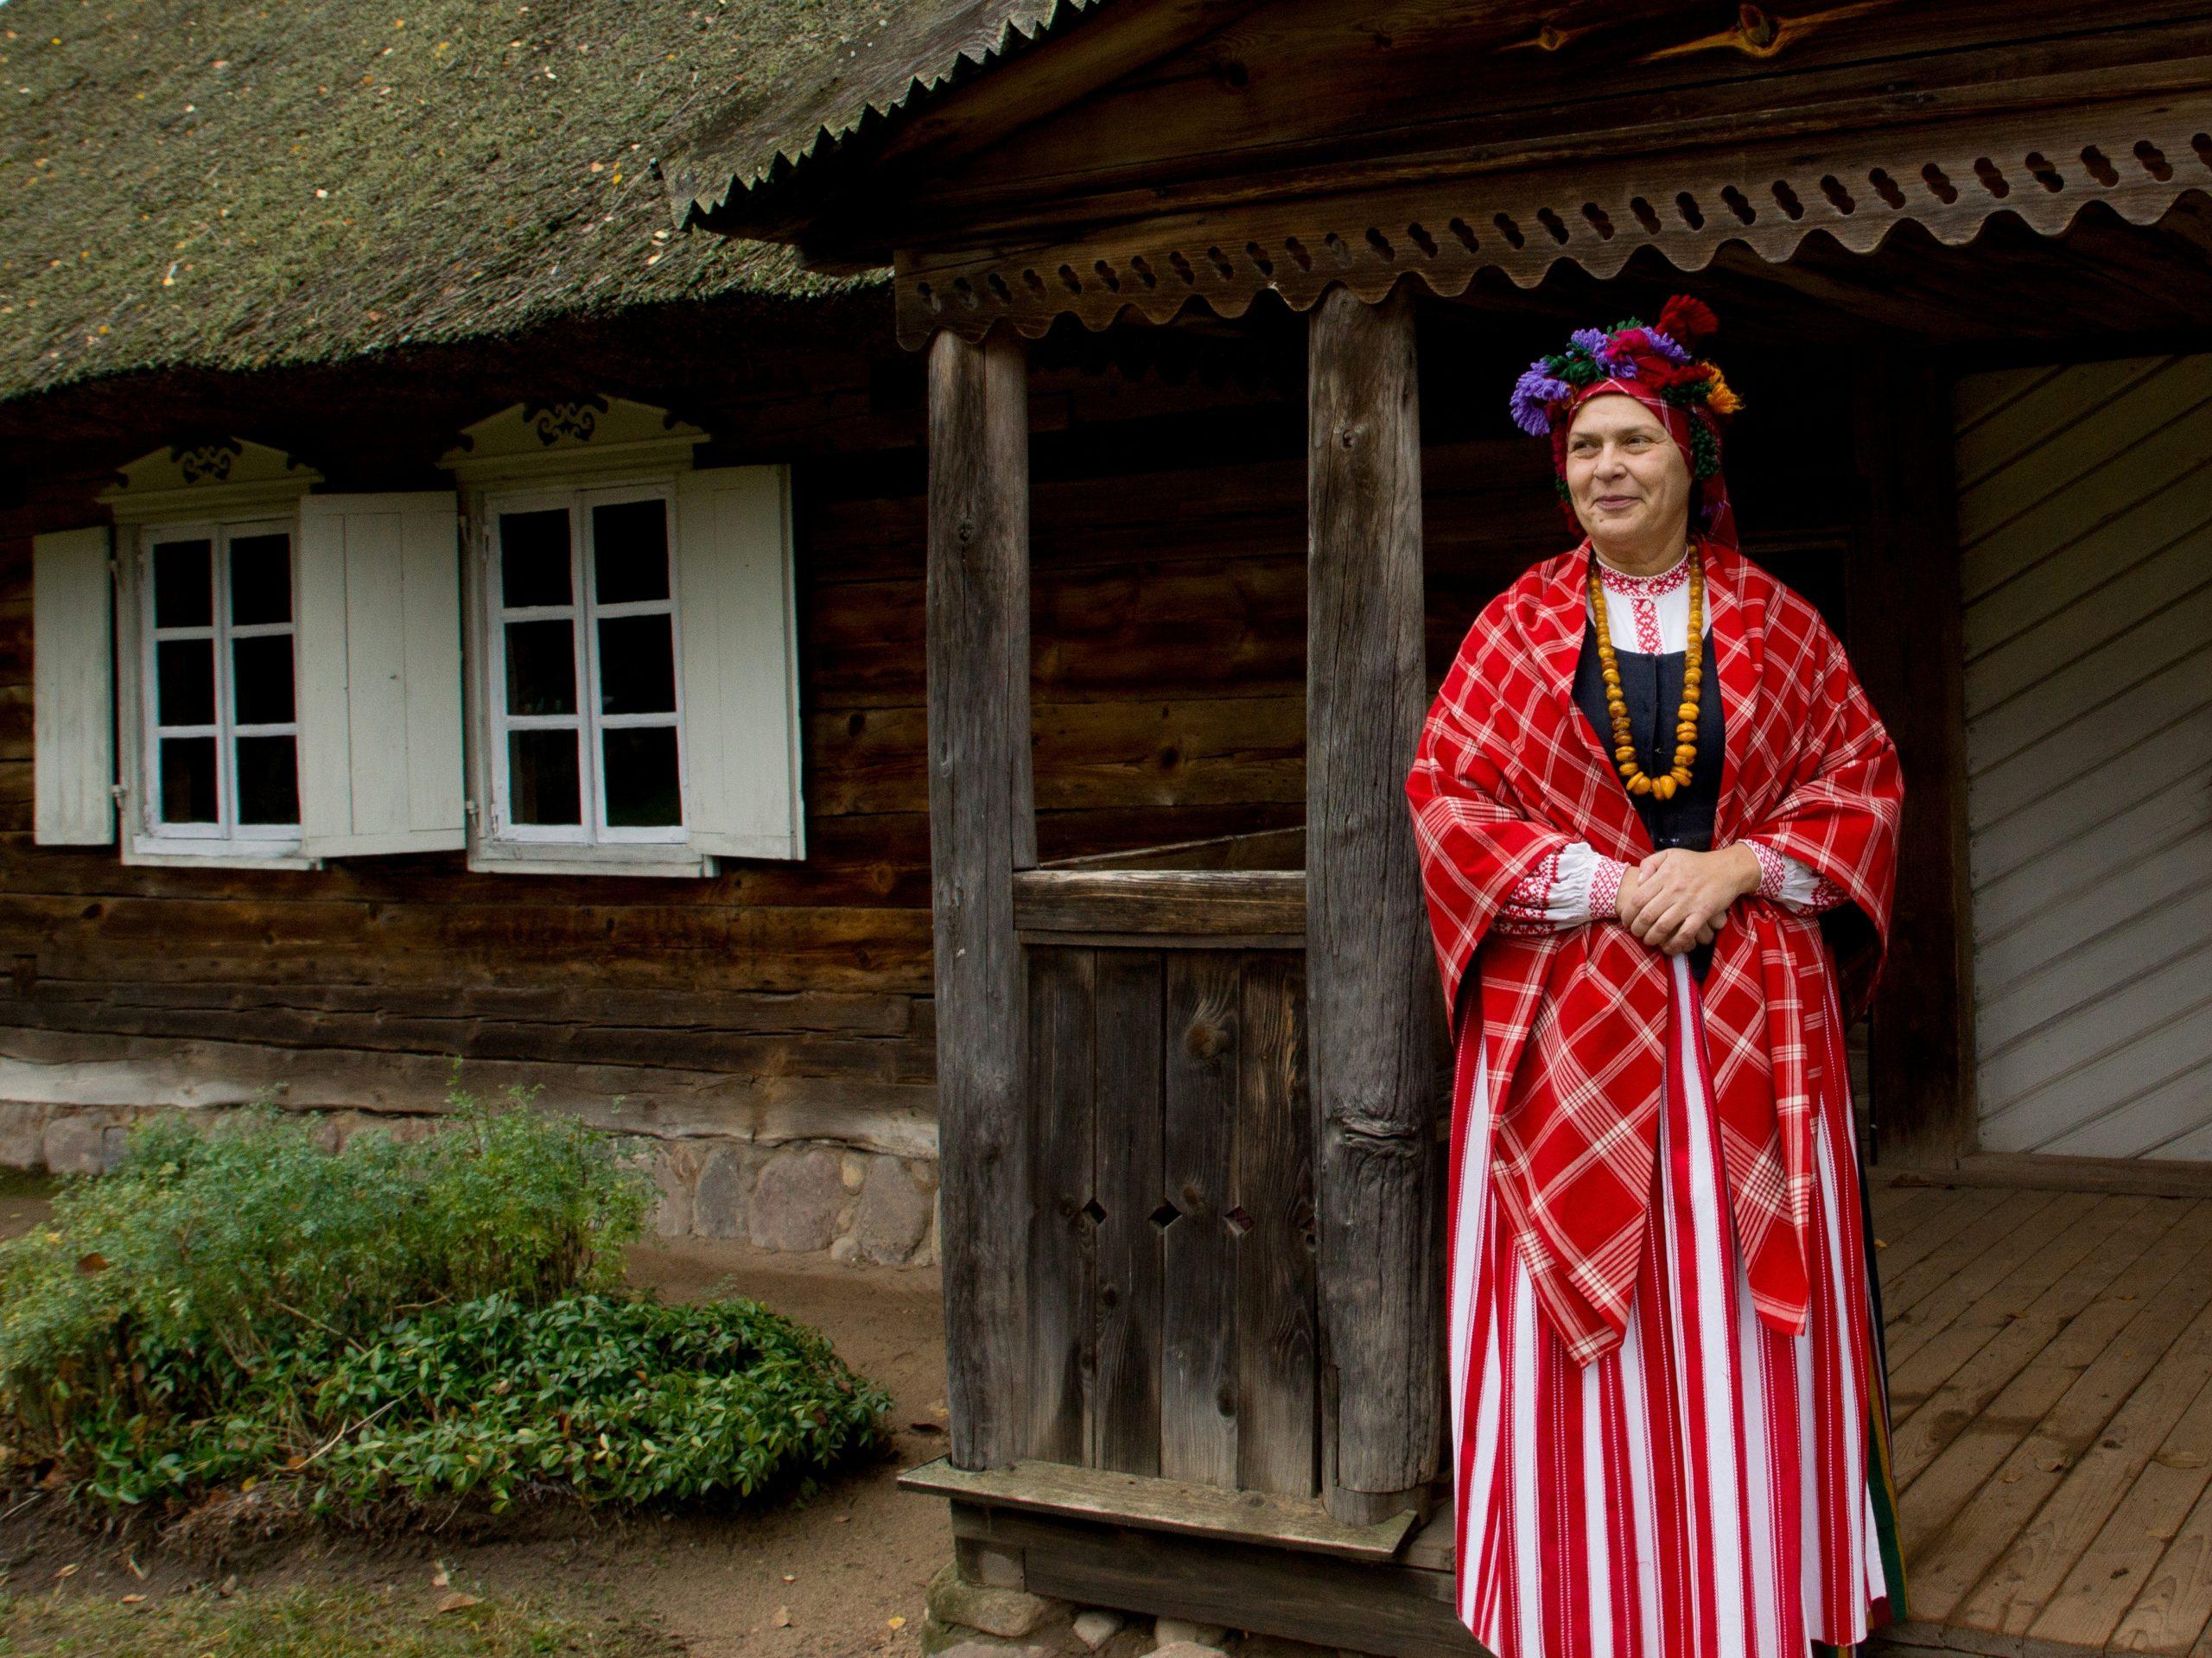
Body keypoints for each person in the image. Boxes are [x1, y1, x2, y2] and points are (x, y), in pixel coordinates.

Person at [1403, 295, 1910, 1658]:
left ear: (1692, 458)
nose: (1607, 467)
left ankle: (1756, 1596)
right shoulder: (1511, 630)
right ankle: (1588, 1607)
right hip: (1567, 1024)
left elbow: (1862, 784)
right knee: (1579, 1324)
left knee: (1742, 1313)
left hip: (1753, 1020)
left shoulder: (1781, 626)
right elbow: (1446, 800)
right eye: (1584, 447)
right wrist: (1607, 883)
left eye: (1633, 441)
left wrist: (1734, 867)